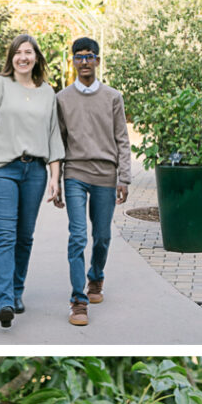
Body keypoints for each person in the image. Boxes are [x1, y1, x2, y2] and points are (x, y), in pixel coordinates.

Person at [0, 34, 64, 328]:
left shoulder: (48, 92)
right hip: (0, 170)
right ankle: (4, 299)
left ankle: (17, 291)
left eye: (29, 52)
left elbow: (53, 136)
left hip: (34, 172)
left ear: (37, 58)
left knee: (24, 236)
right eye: (18, 52)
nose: (23, 57)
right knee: (5, 235)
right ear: (11, 57)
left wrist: (55, 178)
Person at [55, 37, 131, 327]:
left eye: (89, 57)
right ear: (72, 62)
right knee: (77, 236)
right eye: (78, 57)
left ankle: (95, 278)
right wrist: (57, 182)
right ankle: (78, 300)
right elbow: (58, 142)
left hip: (105, 176)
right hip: (75, 173)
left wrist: (124, 176)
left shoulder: (113, 97)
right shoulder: (62, 99)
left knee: (102, 236)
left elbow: (122, 138)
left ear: (98, 61)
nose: (84, 62)